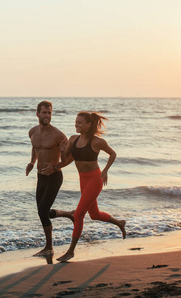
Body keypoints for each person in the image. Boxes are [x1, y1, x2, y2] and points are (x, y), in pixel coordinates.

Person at [56, 111, 126, 262]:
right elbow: (65, 160)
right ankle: (120, 223)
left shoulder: (97, 142)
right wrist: (62, 152)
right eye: (76, 122)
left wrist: (106, 170)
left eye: (80, 122)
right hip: (83, 180)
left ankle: (71, 251)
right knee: (94, 215)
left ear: (88, 125)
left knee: (78, 215)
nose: (76, 124)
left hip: (95, 180)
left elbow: (113, 154)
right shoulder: (73, 139)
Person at [26, 101, 74, 257]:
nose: (47, 115)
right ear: (37, 113)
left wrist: (55, 165)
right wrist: (32, 163)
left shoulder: (59, 135)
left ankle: (49, 248)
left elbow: (69, 158)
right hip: (40, 177)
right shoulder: (32, 132)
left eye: (49, 113)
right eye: (44, 112)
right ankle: (69, 214)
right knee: (42, 210)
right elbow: (35, 148)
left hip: (54, 177)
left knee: (42, 211)